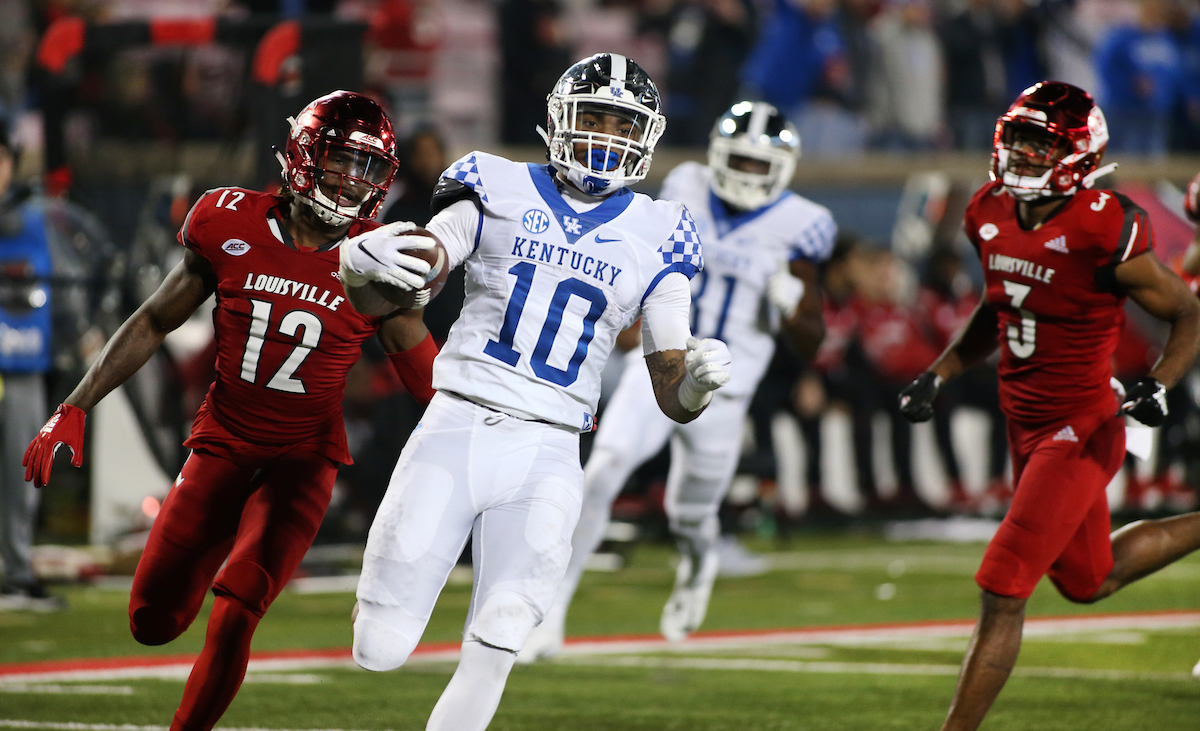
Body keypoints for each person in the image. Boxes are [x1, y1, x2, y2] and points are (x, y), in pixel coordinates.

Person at [340, 53, 733, 731]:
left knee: (501, 633)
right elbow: (429, 260)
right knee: (380, 645)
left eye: (623, 121)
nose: (607, 134)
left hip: (550, 448)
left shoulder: (661, 229)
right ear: (559, 118)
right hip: (457, 421)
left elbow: (671, 386)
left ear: (647, 134)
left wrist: (696, 383)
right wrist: (369, 262)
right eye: (595, 116)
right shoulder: (493, 181)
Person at [22, 90, 438, 731]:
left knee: (239, 602)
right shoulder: (228, 219)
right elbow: (155, 318)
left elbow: (429, 380)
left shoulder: (381, 261)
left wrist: (487, 440)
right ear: (303, 157)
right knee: (151, 621)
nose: (354, 181)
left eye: (369, 168)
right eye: (341, 161)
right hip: (221, 445)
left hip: (303, 461)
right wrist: (73, 406)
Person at [897, 81, 1200, 731]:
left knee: (1002, 586)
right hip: (1025, 423)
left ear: (1080, 155)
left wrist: (1159, 382)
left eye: (1044, 143)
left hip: (1081, 427)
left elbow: (1186, 312)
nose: (1026, 154)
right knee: (1089, 580)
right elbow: (998, 304)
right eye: (1022, 138)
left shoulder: (1103, 224)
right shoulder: (986, 209)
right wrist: (942, 369)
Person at [519, 100, 832, 658]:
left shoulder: (802, 224)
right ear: (716, 154)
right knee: (604, 470)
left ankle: (695, 567)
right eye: (740, 160)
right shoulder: (686, 184)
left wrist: (791, 304)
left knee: (689, 515)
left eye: (761, 164)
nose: (748, 173)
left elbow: (812, 340)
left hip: (726, 392)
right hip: (665, 363)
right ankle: (552, 609)